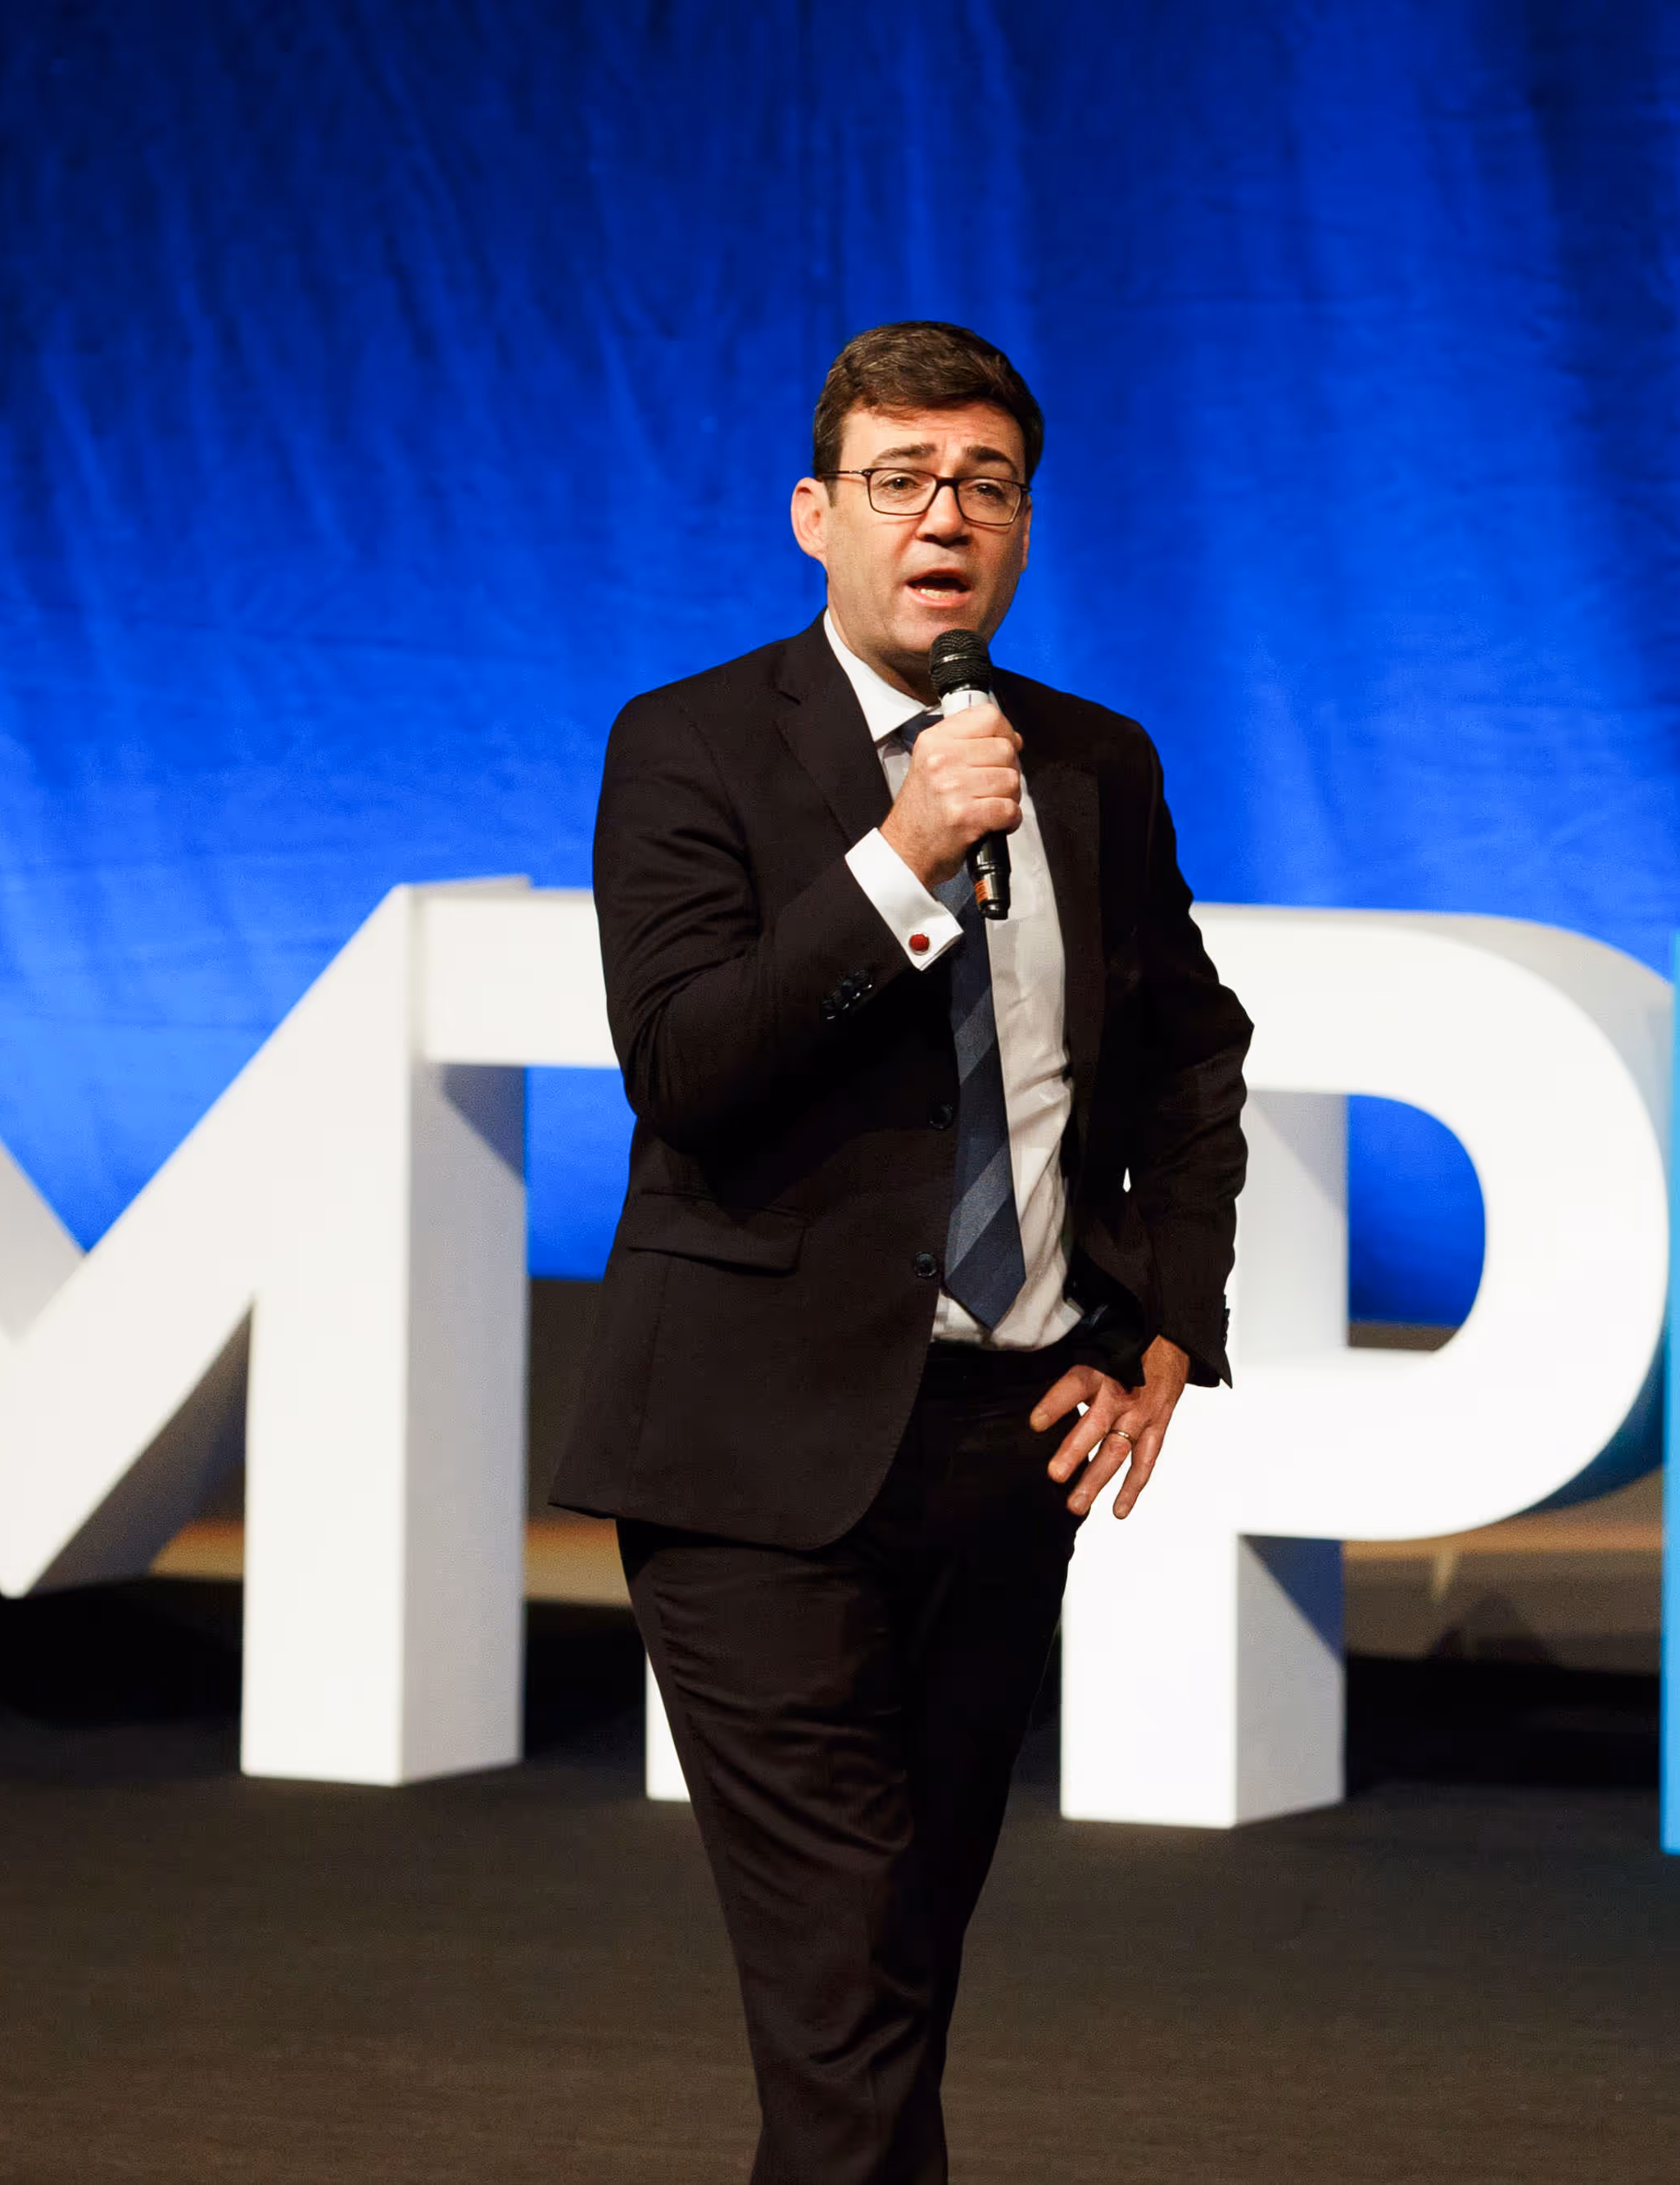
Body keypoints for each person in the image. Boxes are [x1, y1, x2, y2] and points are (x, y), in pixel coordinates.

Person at [553, 320, 1253, 2183]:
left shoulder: (1093, 763)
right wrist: (899, 853)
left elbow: (1188, 1049)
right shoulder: (690, 745)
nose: (944, 515)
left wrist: (1163, 1323)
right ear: (814, 515)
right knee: (849, 1964)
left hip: (1004, 1445)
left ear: (1022, 533)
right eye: (899, 481)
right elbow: (687, 1065)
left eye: (985, 485)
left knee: (891, 1969)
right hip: (748, 1459)